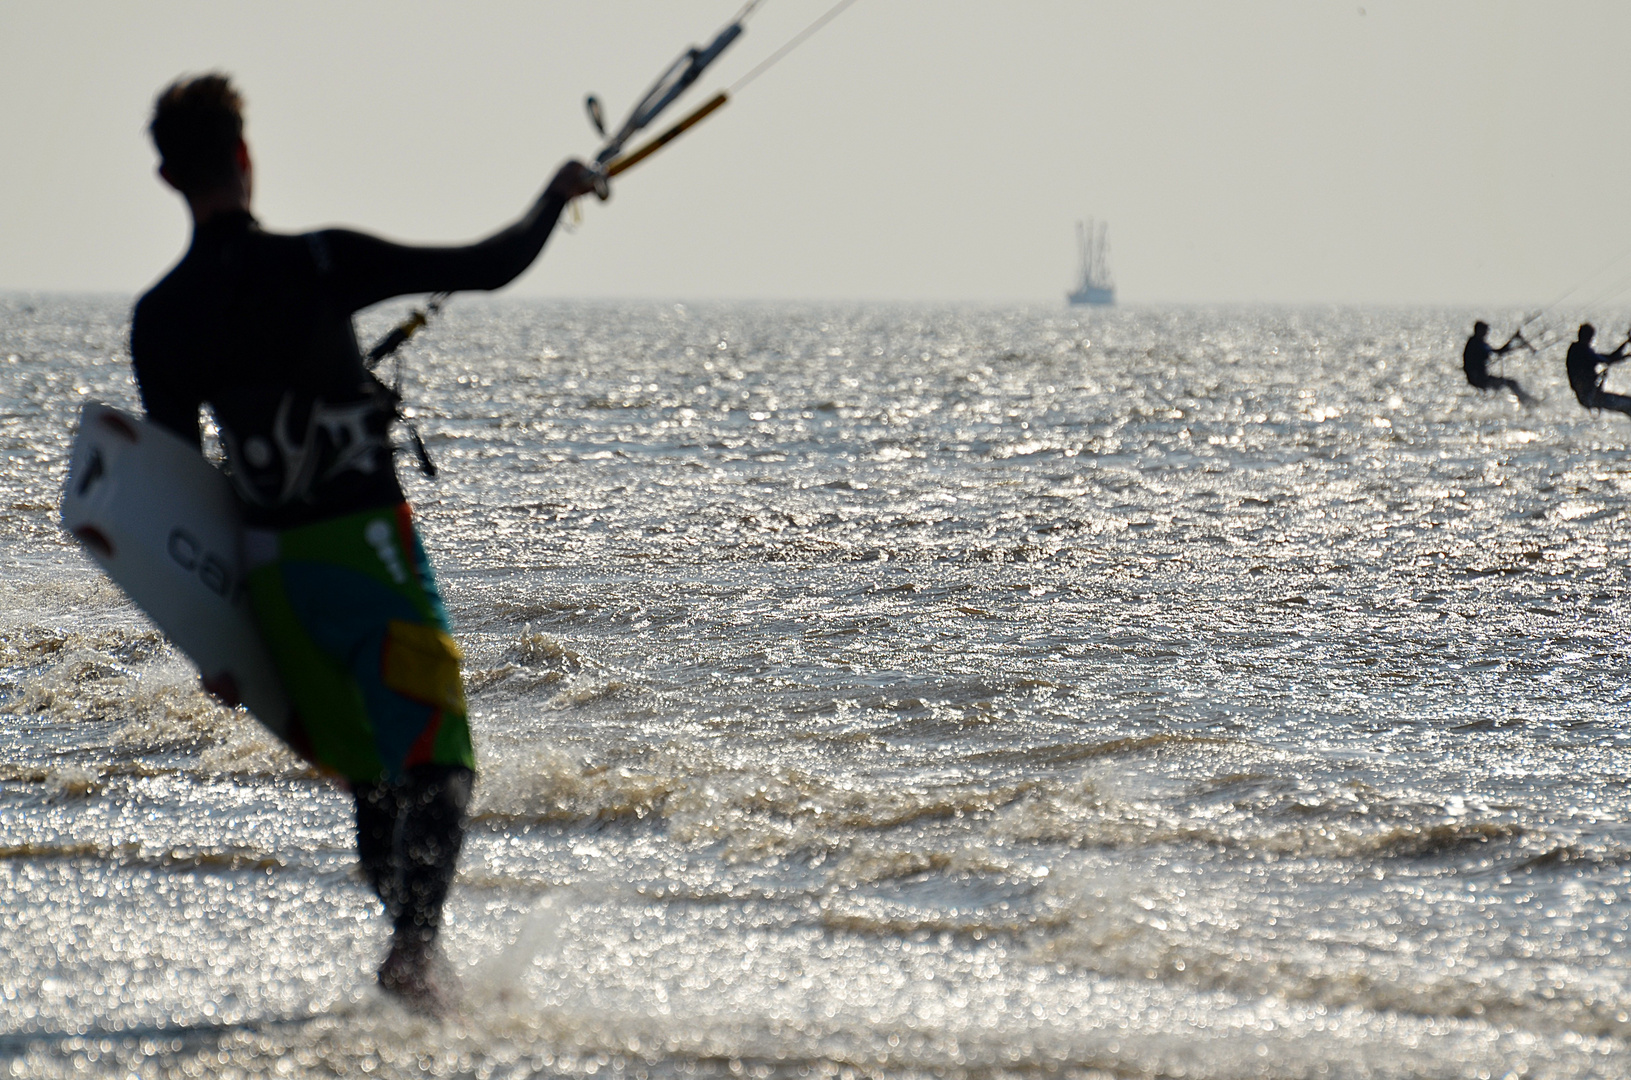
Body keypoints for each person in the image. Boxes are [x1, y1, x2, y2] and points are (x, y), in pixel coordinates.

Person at [130, 73, 599, 1012]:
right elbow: (490, 262)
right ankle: (414, 954)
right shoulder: (316, 262)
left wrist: (214, 640)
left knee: (375, 784)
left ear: (168, 177)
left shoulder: (162, 319)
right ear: (245, 158)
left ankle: (415, 969)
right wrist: (557, 193)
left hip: (271, 581)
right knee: (440, 762)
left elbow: (177, 501)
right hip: (365, 555)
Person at [1565, 323, 1631, 417]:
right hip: (1590, 397)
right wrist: (1626, 346)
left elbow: (1610, 358)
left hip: (1588, 397)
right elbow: (1610, 359)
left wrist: (1626, 344)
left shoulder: (1575, 350)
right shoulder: (1582, 352)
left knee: (1627, 406)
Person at [1461, 320, 1532, 404]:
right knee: (1511, 383)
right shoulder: (1477, 344)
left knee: (1508, 384)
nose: (1486, 334)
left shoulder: (1474, 342)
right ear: (1479, 330)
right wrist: (1513, 340)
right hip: (1480, 379)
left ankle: (1526, 401)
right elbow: (1498, 352)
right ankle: (1528, 403)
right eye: (1485, 331)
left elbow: (1495, 353)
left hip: (1477, 378)